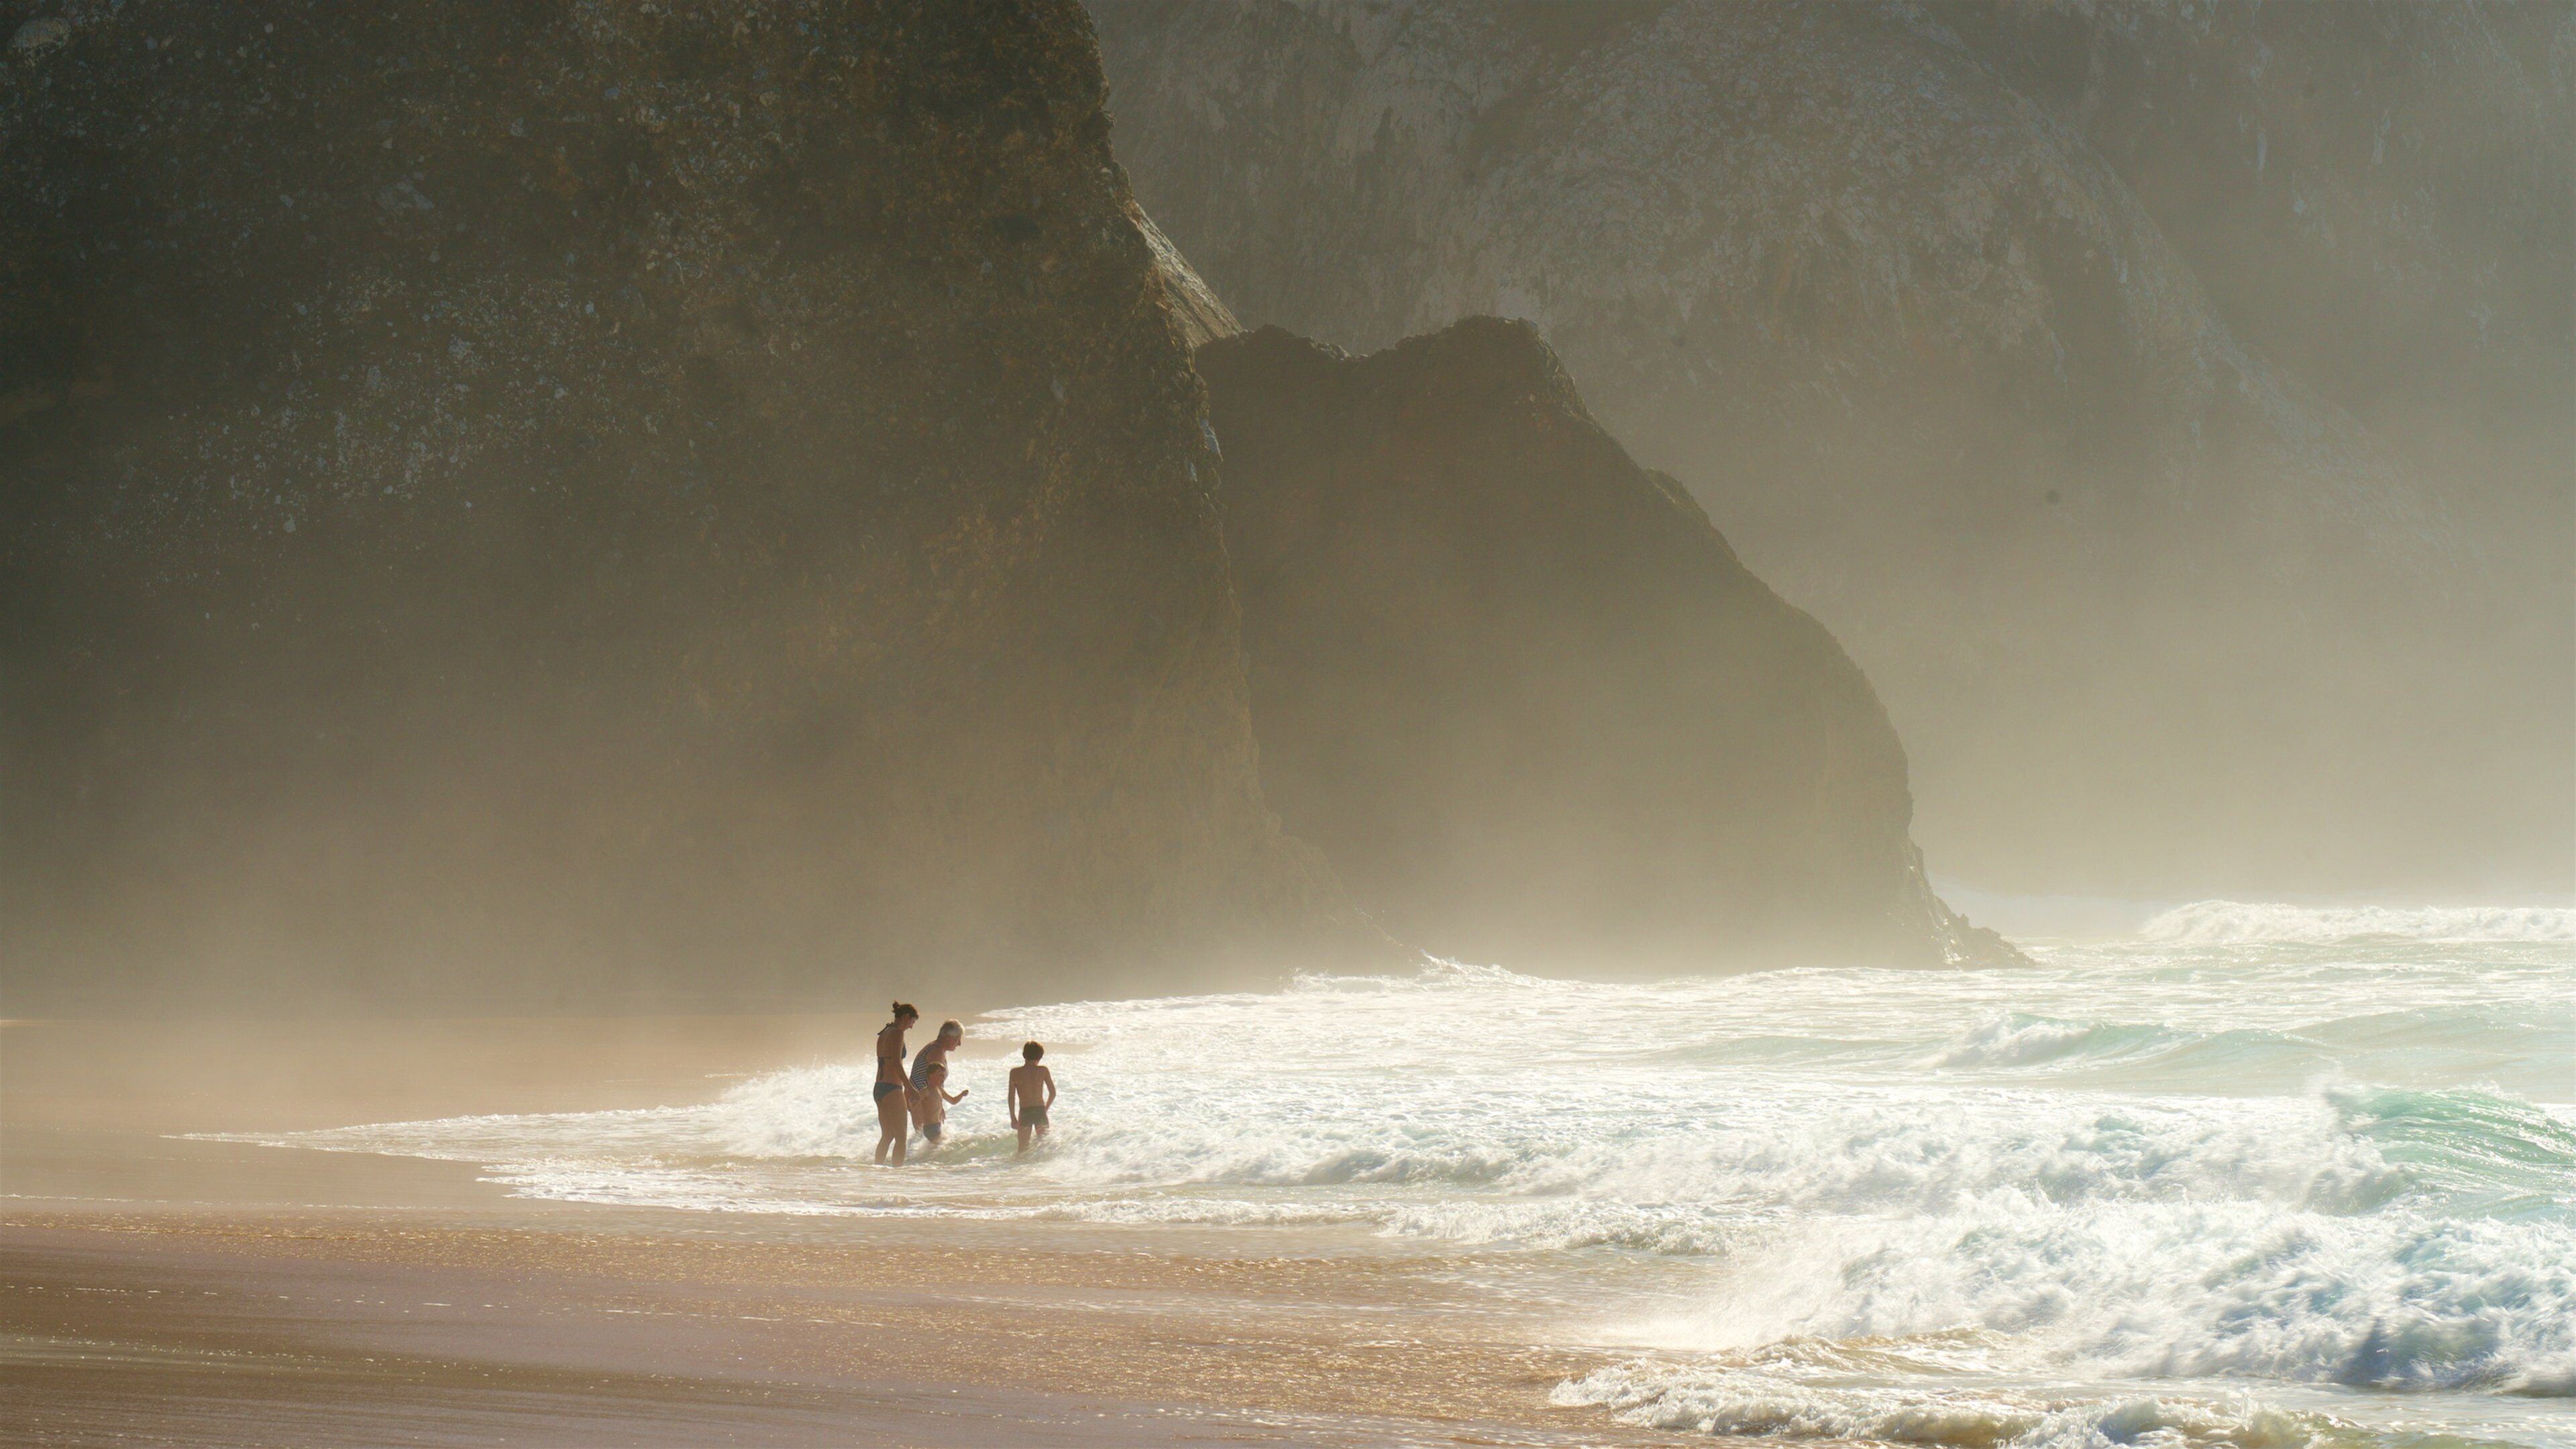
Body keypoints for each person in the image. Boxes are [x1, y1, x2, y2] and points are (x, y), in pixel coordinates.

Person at [874, 1003, 919, 1166]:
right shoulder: (898, 1033)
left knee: (887, 1136)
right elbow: (896, 1064)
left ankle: (876, 1170)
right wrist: (910, 1088)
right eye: (912, 1022)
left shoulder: (885, 1032)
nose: (911, 1027)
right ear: (906, 1017)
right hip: (892, 1088)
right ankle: (897, 1175)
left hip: (879, 1088)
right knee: (901, 1138)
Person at [909, 1020, 964, 1144]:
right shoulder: (936, 1051)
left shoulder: (936, 1048)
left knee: (923, 1140)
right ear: (949, 1038)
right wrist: (938, 1105)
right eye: (958, 1039)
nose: (959, 1044)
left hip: (921, 1098)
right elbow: (935, 1080)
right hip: (922, 1100)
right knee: (927, 1140)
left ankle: (910, 1155)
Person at [1007, 1040, 1055, 1154]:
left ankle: (1021, 1166)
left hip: (1025, 1112)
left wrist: (1013, 1117)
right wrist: (1045, 1109)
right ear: (1040, 1056)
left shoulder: (1015, 1072)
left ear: (1024, 1055)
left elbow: (1011, 1097)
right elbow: (1053, 1093)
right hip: (1040, 1111)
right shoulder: (1043, 1071)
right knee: (1044, 1148)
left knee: (1022, 1150)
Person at [912, 1057, 967, 1148]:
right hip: (930, 1128)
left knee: (947, 1144)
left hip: (937, 1126)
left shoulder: (940, 1090)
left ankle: (926, 1157)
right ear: (931, 1075)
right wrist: (911, 1099)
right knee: (947, 1146)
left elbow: (953, 1101)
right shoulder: (926, 1091)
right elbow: (914, 1105)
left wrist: (962, 1094)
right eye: (940, 1075)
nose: (943, 1078)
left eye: (943, 1075)